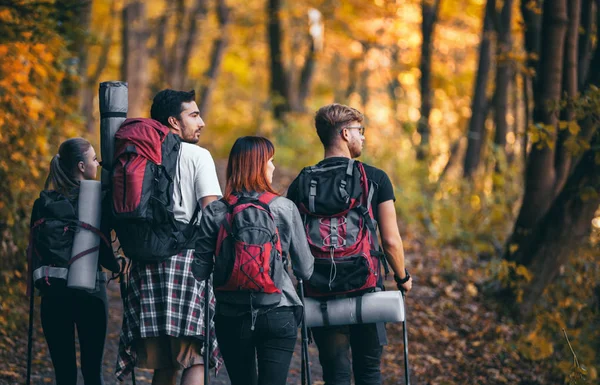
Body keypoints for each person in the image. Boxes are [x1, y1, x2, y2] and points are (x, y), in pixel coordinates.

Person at [287, 103, 413, 385]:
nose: (364, 137)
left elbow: (292, 244)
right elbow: (391, 241)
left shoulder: (301, 183)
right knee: (369, 372)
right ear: (345, 134)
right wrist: (402, 277)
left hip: (320, 290)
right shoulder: (375, 178)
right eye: (360, 131)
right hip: (365, 288)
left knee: (335, 373)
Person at [116, 90, 223, 385]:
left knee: (165, 361)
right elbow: (212, 214)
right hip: (188, 265)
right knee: (194, 355)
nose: (201, 122)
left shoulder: (141, 154)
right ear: (174, 122)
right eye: (194, 115)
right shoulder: (198, 156)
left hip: (146, 264)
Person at [192, 136, 314, 385]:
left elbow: (200, 271)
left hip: (231, 314)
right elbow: (305, 269)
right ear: (258, 166)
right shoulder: (284, 208)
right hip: (279, 310)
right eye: (270, 161)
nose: (273, 167)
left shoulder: (215, 211)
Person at [29, 137, 119, 385]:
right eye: (93, 158)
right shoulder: (101, 199)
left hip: (54, 294)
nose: (98, 162)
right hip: (90, 291)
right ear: (81, 166)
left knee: (64, 374)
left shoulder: (43, 203)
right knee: (93, 372)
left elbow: (34, 250)